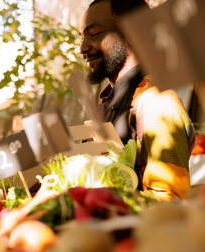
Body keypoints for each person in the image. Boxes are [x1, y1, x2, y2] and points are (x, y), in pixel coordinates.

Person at [80, 0, 195, 200]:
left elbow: (171, 198)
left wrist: (101, 205)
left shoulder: (157, 102)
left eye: (94, 34)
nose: (83, 48)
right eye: (81, 38)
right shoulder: (107, 103)